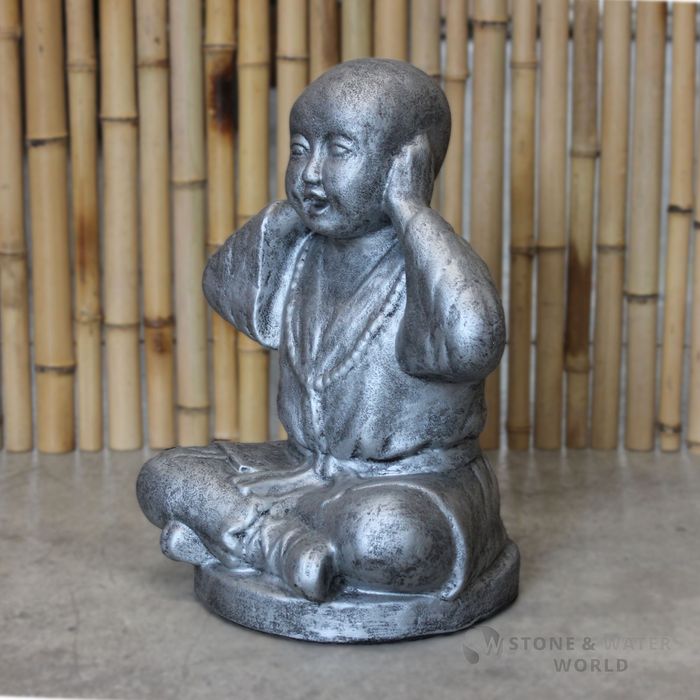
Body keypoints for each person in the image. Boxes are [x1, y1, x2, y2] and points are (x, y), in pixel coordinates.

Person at [137, 59, 514, 608]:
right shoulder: (298, 251)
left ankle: (235, 533)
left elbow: (474, 341)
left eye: (338, 150)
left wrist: (411, 210)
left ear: (407, 163)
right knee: (164, 475)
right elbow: (221, 284)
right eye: (299, 149)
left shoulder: (427, 265)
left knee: (387, 536)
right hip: (301, 471)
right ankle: (279, 546)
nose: (311, 172)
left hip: (414, 486)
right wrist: (297, 212)